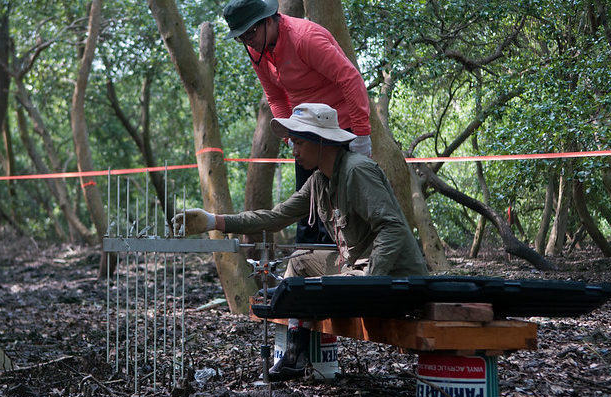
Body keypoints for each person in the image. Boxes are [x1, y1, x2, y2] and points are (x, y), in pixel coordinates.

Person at [173, 103, 428, 381]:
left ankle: (316, 330)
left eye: (298, 142)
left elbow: (392, 228)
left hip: (392, 276)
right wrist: (213, 221)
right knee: (300, 262)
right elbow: (275, 216)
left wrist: (370, 282)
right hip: (355, 268)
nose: (293, 151)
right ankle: (295, 354)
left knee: (324, 285)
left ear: (321, 140)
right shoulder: (319, 180)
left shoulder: (358, 171)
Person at [222, 0, 373, 245]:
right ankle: (306, 263)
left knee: (342, 207)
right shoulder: (255, 50)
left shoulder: (305, 38)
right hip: (305, 129)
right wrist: (291, 136)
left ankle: (344, 267)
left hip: (339, 129)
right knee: (307, 207)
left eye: (251, 32)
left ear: (268, 20)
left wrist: (361, 135)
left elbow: (350, 79)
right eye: (242, 36)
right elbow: (275, 96)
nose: (249, 40)